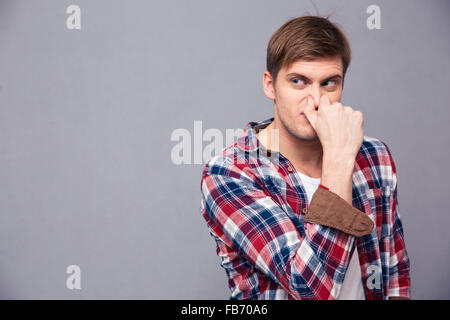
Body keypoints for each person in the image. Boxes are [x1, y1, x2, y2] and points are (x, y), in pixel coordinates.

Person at [199, 15, 410, 300]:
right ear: (270, 85)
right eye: (298, 81)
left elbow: (395, 275)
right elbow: (311, 289)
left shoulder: (375, 156)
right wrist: (338, 157)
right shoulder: (231, 174)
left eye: (329, 83)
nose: (314, 100)